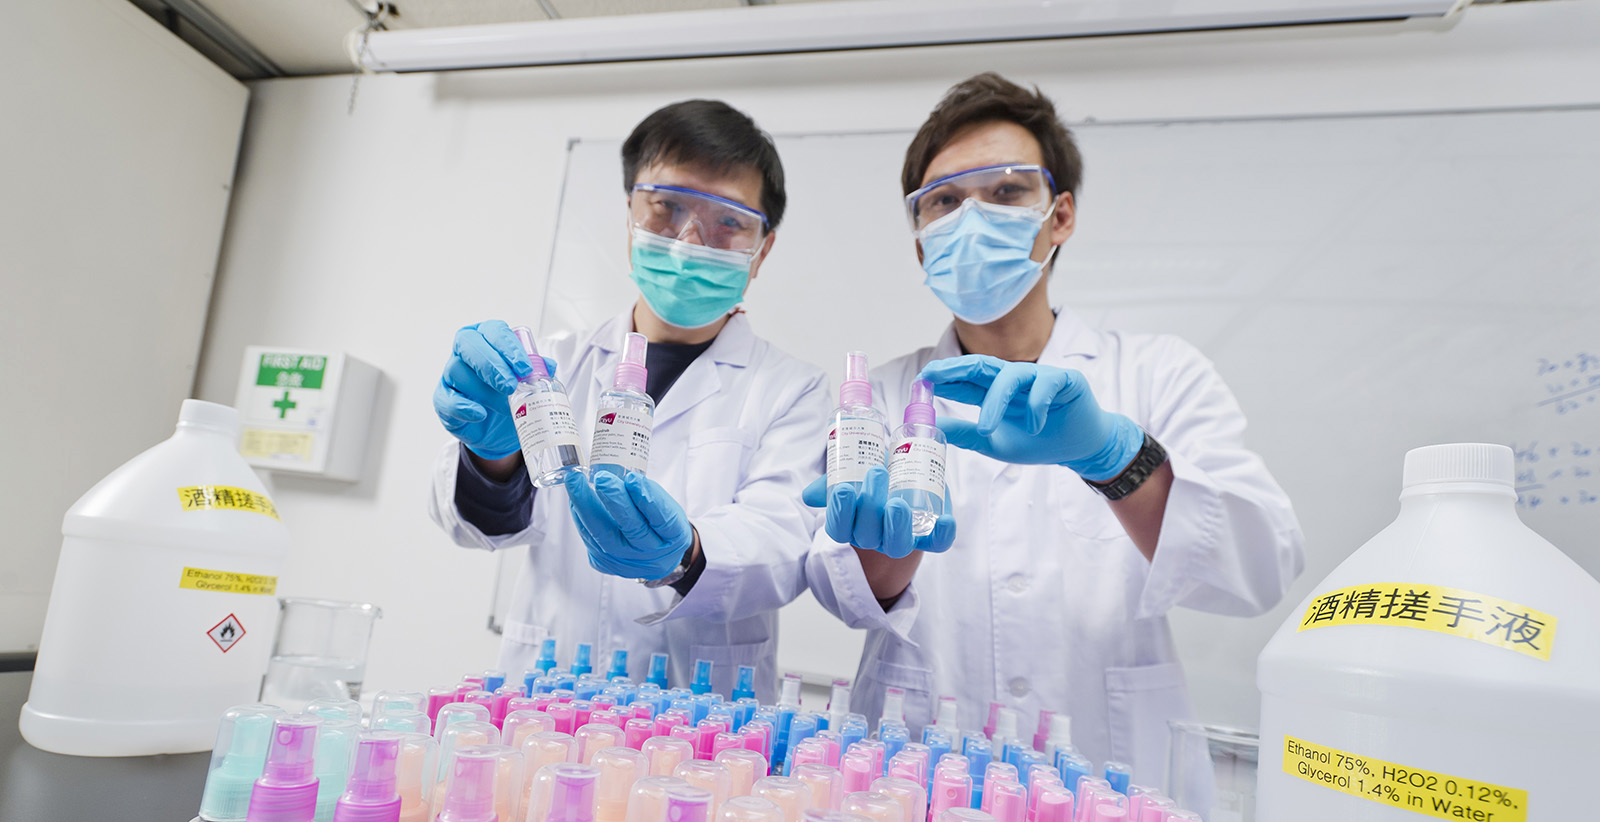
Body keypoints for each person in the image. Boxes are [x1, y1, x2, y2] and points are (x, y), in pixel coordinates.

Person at [805, 74, 1305, 782]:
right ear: (921, 241)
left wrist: (1113, 455)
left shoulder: (1159, 372)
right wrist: (886, 551)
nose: (972, 217)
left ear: (1060, 214)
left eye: (1006, 191)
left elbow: (1260, 563)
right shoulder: (880, 396)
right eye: (944, 201)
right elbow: (842, 588)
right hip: (917, 775)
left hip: (1112, 782)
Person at [430, 100, 829, 701]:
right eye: (667, 209)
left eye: (728, 222)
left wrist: (685, 553)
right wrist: (492, 461)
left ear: (762, 248)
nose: (691, 239)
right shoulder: (550, 365)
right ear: (632, 215)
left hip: (706, 717)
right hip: (549, 691)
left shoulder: (792, 389)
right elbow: (478, 528)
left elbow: (782, 541)